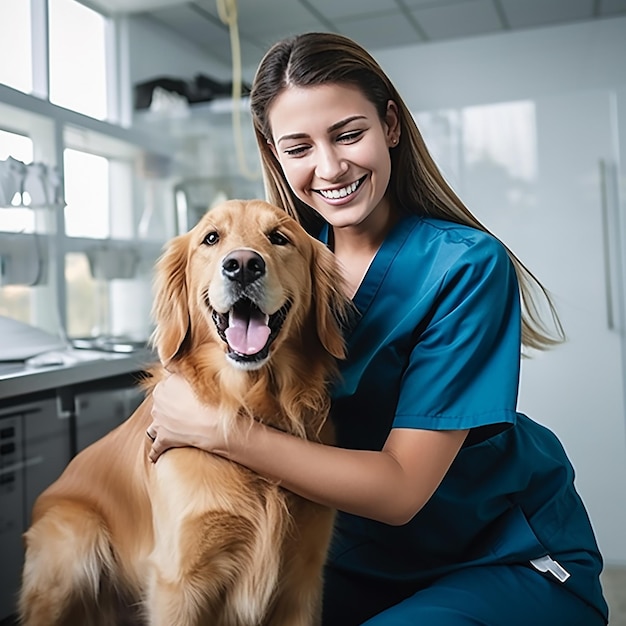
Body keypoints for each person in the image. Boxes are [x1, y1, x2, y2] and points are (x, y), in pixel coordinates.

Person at [147, 32, 609, 625]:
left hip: (497, 556)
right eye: (299, 147)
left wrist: (219, 431)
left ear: (390, 125)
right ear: (276, 154)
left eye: (348, 134)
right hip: (361, 561)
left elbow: (399, 490)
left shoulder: (465, 265)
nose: (330, 167)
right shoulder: (285, 270)